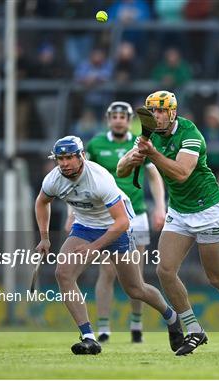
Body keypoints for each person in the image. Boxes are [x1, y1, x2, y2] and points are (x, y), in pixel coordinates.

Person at [117, 91, 219, 356]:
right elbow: (121, 171)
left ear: (172, 113)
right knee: (164, 270)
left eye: (161, 111)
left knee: (217, 277)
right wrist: (133, 157)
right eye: (152, 112)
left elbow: (181, 173)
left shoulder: (191, 134)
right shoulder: (150, 137)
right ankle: (194, 330)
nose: (156, 117)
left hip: (209, 210)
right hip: (180, 211)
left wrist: (152, 154)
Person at [35, 136, 183, 355]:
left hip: (117, 226)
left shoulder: (99, 179)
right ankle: (88, 337)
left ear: (81, 156)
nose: (64, 163)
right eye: (60, 159)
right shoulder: (53, 179)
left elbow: (122, 222)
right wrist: (45, 237)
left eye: (69, 158)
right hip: (85, 226)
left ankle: (171, 316)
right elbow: (41, 202)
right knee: (63, 273)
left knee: (135, 289)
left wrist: (94, 247)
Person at [65, 101, 166, 344]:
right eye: (114, 116)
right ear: (108, 119)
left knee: (135, 276)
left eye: (123, 116)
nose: (119, 120)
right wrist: (71, 213)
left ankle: (136, 324)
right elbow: (77, 180)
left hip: (137, 214)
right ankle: (103, 327)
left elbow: (154, 175)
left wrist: (160, 206)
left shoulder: (139, 143)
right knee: (107, 270)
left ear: (129, 119)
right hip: (103, 217)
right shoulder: (96, 144)